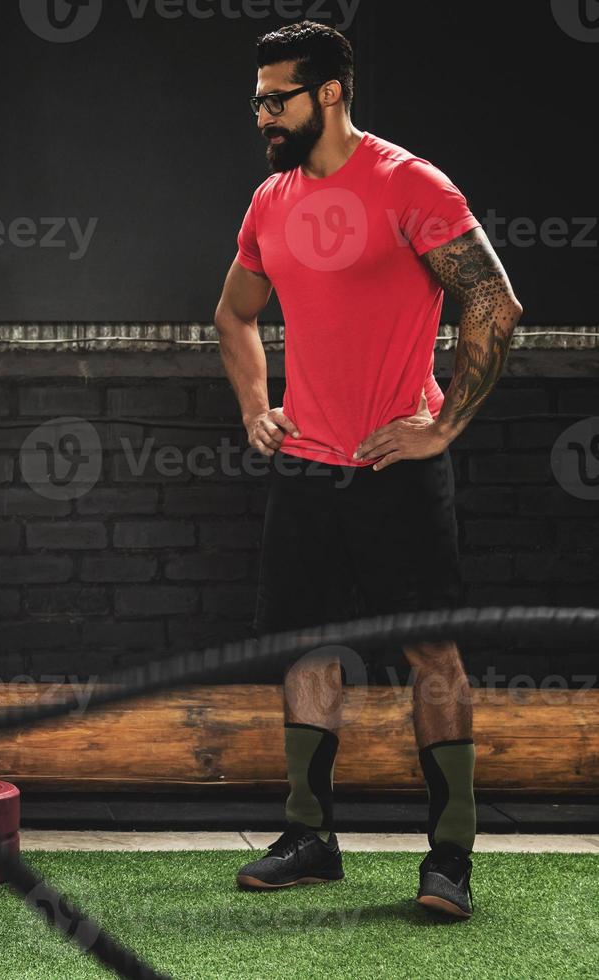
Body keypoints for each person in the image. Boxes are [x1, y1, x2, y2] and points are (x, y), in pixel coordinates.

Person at [212, 22, 522, 919]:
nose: (263, 113)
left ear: (331, 93)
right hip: (306, 467)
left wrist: (442, 427)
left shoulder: (407, 183)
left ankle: (451, 856)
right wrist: (254, 409)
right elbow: (233, 316)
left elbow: (494, 304)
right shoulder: (269, 199)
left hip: (394, 467)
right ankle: (309, 834)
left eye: (279, 97)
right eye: (259, 98)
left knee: (432, 654)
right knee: (304, 650)